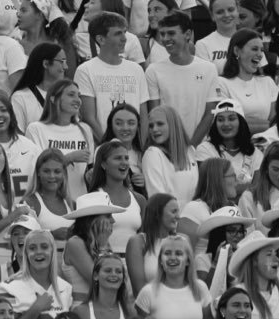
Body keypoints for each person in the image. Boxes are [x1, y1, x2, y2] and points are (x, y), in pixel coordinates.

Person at [75, 13, 150, 139]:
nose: (124, 38)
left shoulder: (136, 69)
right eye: (118, 33)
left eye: (124, 32)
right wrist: (110, 147)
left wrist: (141, 147)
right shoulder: (85, 70)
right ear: (101, 39)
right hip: (104, 148)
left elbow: (143, 116)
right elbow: (88, 118)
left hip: (135, 149)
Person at [145, 12, 216, 143]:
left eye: (171, 33)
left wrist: (192, 146)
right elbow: (156, 115)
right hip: (167, 147)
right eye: (162, 34)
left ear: (187, 34)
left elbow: (209, 113)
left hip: (200, 147)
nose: (165, 39)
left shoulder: (209, 69)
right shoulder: (153, 70)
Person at [25, 80, 93, 198]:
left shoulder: (85, 129)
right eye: (71, 95)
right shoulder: (36, 129)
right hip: (48, 202)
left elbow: (89, 169)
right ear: (53, 98)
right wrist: (68, 158)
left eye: (79, 95)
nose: (78, 100)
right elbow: (36, 169)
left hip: (80, 202)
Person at [192, 100, 261, 187]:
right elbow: (212, 189)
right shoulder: (205, 149)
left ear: (241, 122)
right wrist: (247, 187)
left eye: (231, 119)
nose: (226, 124)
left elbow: (258, 189)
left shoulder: (255, 153)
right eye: (220, 120)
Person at [143, 106, 198, 204]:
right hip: (170, 218)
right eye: (151, 126)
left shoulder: (190, 151)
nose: (154, 129)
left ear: (173, 125)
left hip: (193, 217)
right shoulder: (152, 154)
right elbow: (157, 198)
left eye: (160, 124)